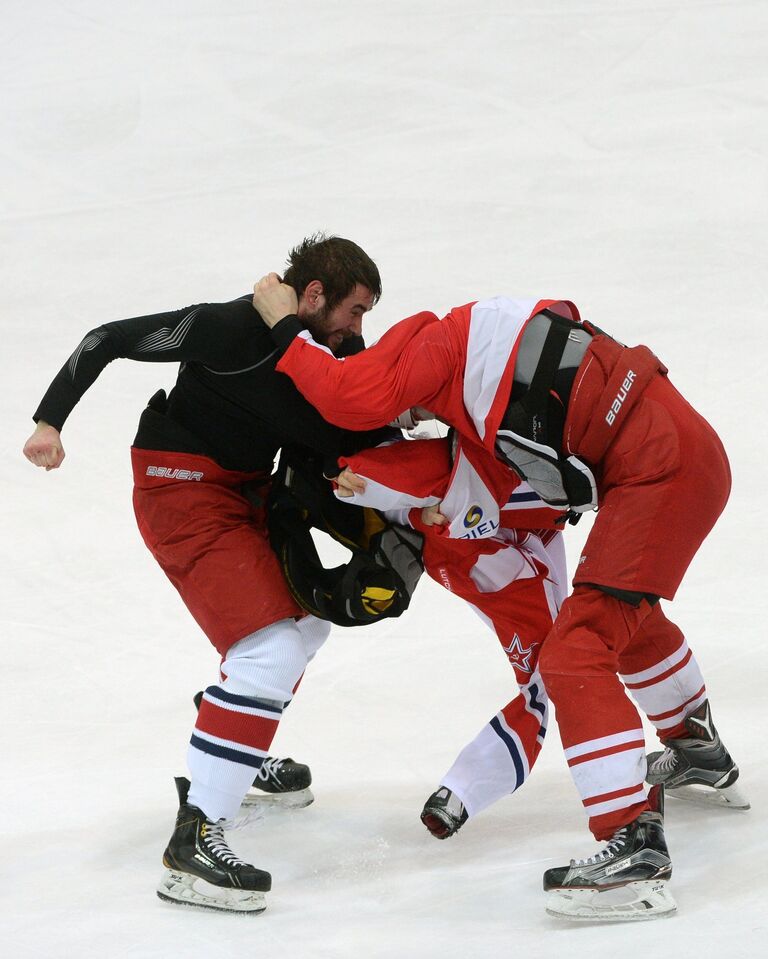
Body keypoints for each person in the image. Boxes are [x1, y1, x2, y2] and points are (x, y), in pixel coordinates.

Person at [252, 278, 747, 921]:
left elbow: (349, 394)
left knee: (575, 652)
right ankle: (698, 747)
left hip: (660, 469)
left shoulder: (441, 350)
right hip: (676, 453)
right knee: (627, 618)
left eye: (406, 401)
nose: (406, 416)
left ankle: (633, 847)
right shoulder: (484, 345)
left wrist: (281, 327)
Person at [22, 235, 394, 915]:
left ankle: (230, 743)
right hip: (180, 489)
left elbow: (361, 412)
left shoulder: (329, 349)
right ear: (312, 296)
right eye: (355, 311)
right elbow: (106, 337)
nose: (358, 329)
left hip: (246, 492)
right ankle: (191, 846)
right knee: (269, 648)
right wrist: (50, 421)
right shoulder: (229, 328)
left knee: (308, 622)